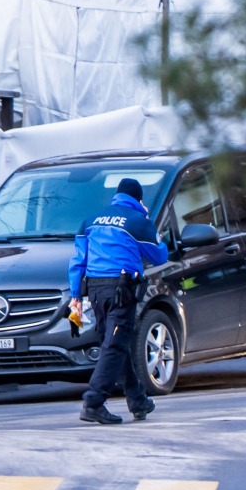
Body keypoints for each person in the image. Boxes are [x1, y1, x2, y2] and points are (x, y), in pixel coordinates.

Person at [68, 177, 168, 424]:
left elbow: (77, 261)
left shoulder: (90, 221)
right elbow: (159, 256)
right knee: (114, 346)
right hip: (121, 291)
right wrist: (153, 228)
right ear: (138, 199)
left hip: (95, 290)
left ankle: (138, 400)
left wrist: (75, 296)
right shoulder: (137, 221)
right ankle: (93, 401)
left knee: (115, 343)